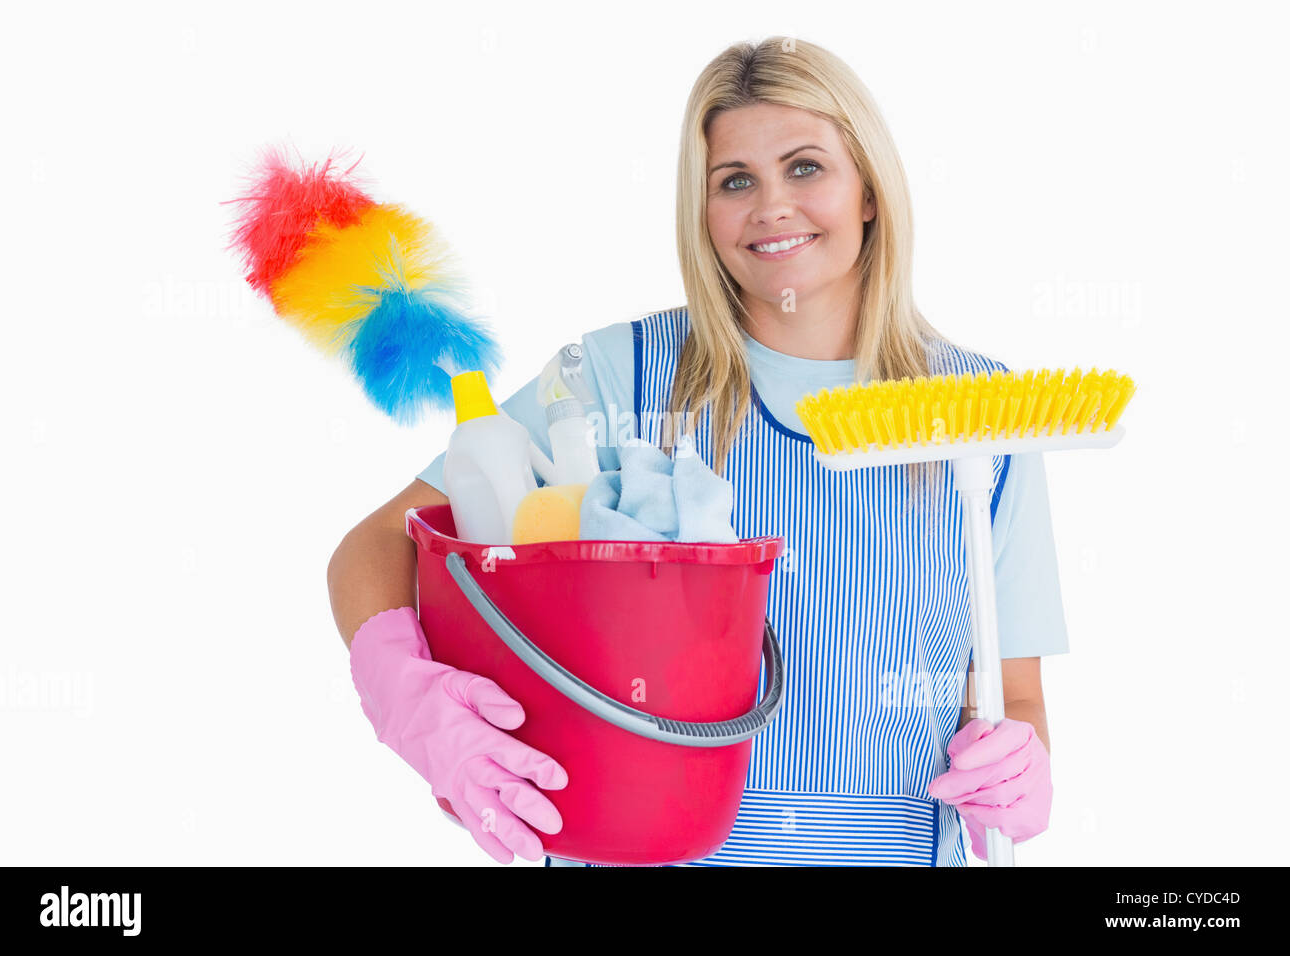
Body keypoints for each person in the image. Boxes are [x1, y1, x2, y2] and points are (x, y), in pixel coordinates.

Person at [327, 36, 1063, 867]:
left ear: (869, 190)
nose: (771, 206)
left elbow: (1014, 695)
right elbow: (376, 545)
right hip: (642, 849)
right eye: (734, 181)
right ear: (702, 211)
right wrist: (409, 700)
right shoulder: (614, 379)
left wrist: (1014, 765)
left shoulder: (978, 416)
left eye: (806, 167)